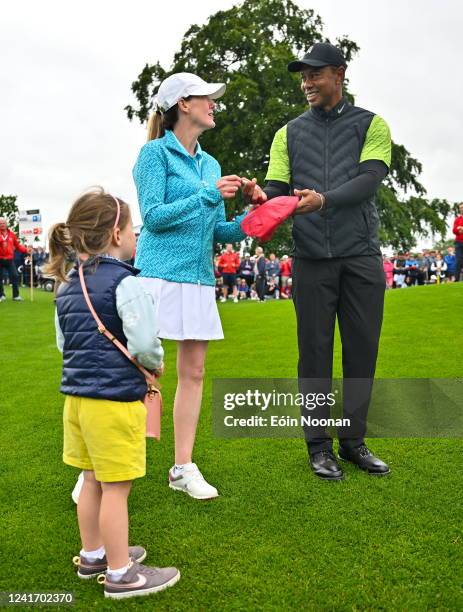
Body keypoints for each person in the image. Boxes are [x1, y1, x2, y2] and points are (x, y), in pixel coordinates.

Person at [250, 43, 391, 479]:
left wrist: (325, 199)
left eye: (314, 74)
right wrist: (261, 198)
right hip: (311, 258)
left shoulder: (372, 124)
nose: (306, 83)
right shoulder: (286, 133)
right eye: (303, 76)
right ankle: (318, 447)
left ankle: (352, 442)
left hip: (361, 256)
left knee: (362, 352)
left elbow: (370, 180)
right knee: (314, 353)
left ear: (339, 73)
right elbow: (276, 190)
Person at [47, 188, 179, 599]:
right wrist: (154, 363)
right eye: (133, 228)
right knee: (117, 487)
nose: (136, 235)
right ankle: (122, 574)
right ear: (117, 232)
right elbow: (143, 341)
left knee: (91, 479)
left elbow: (63, 345)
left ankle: (95, 555)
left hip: (78, 401)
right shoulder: (124, 282)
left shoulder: (66, 287)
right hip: (114, 400)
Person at [133, 72, 251, 499]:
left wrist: (254, 220)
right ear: (184, 104)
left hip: (198, 278)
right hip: (156, 274)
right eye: (207, 98)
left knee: (194, 372)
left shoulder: (211, 163)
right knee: (139, 372)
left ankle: (182, 468)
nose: (213, 104)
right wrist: (206, 194)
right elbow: (155, 216)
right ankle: (95, 468)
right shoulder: (153, 154)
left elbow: (216, 229)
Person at [0, 217, 29, 301]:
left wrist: (26, 250)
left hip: (9, 259)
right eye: (0, 223)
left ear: (6, 224)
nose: (2, 225)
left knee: (15, 276)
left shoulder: (12, 234)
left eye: (3, 223)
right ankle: (1, 295)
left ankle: (16, 296)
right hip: (0, 259)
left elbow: (18, 246)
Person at [452, 203, 463, 281]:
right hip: (458, 242)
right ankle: (456, 279)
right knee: (458, 261)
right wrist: (459, 229)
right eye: (460, 208)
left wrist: (461, 228)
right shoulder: (457, 219)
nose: (461, 209)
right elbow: (454, 230)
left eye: (462, 207)